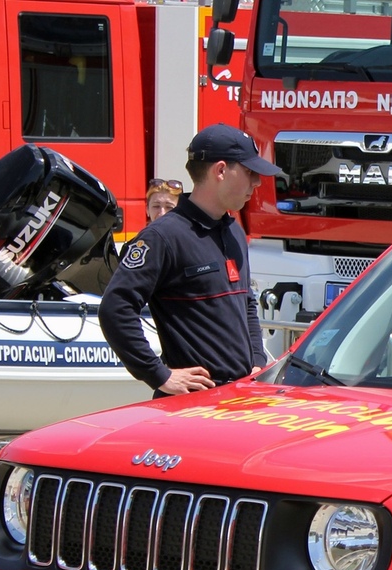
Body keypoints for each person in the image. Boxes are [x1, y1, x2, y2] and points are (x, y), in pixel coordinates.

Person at [99, 124, 280, 396]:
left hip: (239, 396)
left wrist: (256, 362)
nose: (256, 182)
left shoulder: (233, 230)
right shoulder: (162, 237)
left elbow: (246, 303)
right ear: (220, 171)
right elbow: (115, 310)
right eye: (249, 172)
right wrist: (159, 375)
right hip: (192, 405)